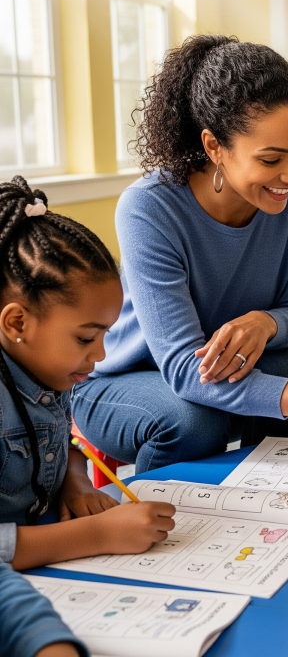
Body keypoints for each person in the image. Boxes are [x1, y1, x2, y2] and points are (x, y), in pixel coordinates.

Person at [72, 35, 288, 475]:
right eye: (272, 159)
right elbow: (181, 368)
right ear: (215, 146)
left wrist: (265, 322)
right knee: (195, 419)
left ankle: (277, 508)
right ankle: (162, 517)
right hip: (124, 382)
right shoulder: (149, 208)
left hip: (221, 374)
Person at [0, 177, 176, 656]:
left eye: (106, 335)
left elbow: (57, 447)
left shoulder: (48, 374)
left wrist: (75, 481)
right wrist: (95, 534)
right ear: (17, 323)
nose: (101, 355)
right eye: (85, 338)